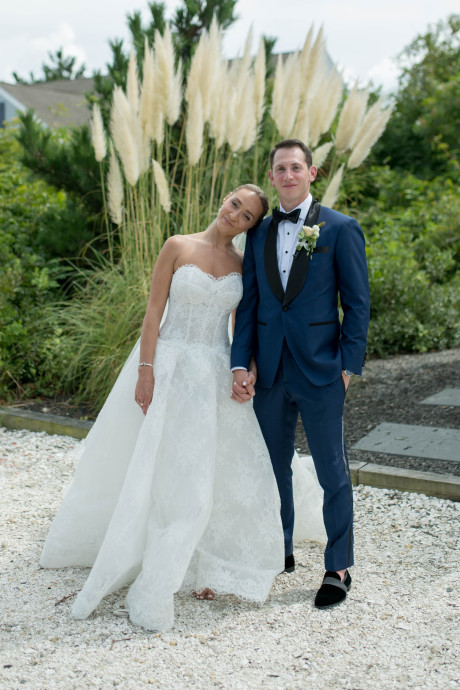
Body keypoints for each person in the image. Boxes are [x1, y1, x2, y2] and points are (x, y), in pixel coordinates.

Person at [40, 184, 318, 633]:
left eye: (247, 216)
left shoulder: (242, 264)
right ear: (224, 198)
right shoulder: (177, 245)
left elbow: (243, 327)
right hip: (168, 365)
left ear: (251, 226)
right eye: (235, 204)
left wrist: (245, 368)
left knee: (212, 467)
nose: (235, 216)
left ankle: (206, 560)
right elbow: (153, 313)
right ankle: (142, 545)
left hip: (213, 372)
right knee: (160, 461)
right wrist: (146, 370)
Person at [231, 140, 370, 609]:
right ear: (271, 176)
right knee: (271, 468)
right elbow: (249, 302)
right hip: (269, 370)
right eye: (280, 168)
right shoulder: (258, 232)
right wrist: (240, 362)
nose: (288, 174)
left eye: (296, 167)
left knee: (332, 470)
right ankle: (280, 548)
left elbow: (357, 305)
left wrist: (347, 367)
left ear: (311, 173)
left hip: (322, 369)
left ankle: (338, 566)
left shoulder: (341, 228)